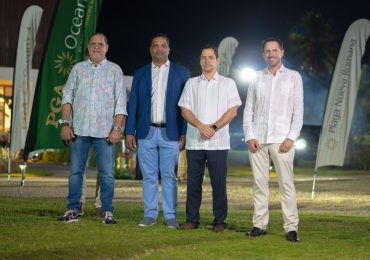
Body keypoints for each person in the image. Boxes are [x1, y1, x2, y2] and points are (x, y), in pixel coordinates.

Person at [57, 33, 127, 224]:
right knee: (75, 172)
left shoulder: (115, 70)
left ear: (107, 47)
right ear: (88, 48)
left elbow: (121, 104)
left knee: (107, 174)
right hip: (79, 130)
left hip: (105, 133)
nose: (96, 47)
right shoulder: (78, 69)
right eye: (93, 44)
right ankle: (72, 209)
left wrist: (117, 129)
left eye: (100, 44)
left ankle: (107, 211)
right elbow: (67, 98)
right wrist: (65, 124)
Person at [125, 33, 189, 228]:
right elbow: (133, 103)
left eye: (163, 46)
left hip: (171, 132)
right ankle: (150, 215)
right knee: (149, 176)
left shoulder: (181, 72)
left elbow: (186, 105)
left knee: (169, 176)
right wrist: (129, 131)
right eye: (155, 45)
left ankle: (171, 216)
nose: (159, 49)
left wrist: (184, 132)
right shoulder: (140, 73)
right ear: (150, 49)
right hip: (146, 132)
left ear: (168, 49)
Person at [243, 37, 303, 242]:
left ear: (282, 52)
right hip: (258, 140)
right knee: (259, 184)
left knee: (286, 185)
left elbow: (298, 112)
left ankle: (291, 228)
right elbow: (248, 109)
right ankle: (259, 224)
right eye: (267, 51)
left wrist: (291, 138)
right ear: (263, 54)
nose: (271, 54)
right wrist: (249, 136)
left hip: (282, 141)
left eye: (274, 50)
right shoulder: (256, 77)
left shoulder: (294, 77)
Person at [178, 44, 241, 232]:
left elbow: (233, 111)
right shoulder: (191, 83)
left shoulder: (228, 83)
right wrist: (200, 126)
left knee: (218, 184)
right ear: (200, 60)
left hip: (218, 142)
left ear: (217, 60)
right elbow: (184, 110)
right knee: (193, 183)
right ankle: (191, 220)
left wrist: (213, 127)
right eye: (203, 57)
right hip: (195, 141)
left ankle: (220, 221)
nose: (207, 61)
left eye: (210, 57)